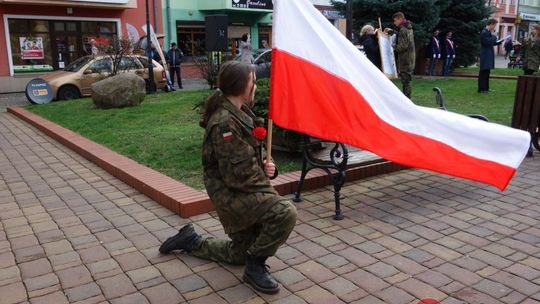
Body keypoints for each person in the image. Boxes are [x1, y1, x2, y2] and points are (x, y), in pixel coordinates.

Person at [158, 61, 297, 295]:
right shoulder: (225, 123)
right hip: (232, 194)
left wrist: (265, 167)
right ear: (241, 85)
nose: (255, 85)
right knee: (284, 212)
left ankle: (191, 240)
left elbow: (244, 163)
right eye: (252, 81)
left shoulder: (239, 113)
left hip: (241, 188)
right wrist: (270, 194)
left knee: (238, 255)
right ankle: (255, 268)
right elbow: (239, 176)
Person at [385, 12, 415, 99]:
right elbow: (401, 37)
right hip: (410, 58)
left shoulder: (403, 30)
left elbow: (402, 46)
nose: (394, 23)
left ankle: (407, 99)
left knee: (406, 80)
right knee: (407, 80)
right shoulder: (408, 28)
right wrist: (392, 32)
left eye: (395, 21)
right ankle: (407, 98)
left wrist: (392, 45)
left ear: (400, 19)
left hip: (406, 59)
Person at [478, 18, 503, 93]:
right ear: (491, 24)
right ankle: (482, 89)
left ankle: (486, 88)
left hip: (488, 54)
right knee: (483, 73)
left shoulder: (488, 32)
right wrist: (494, 36)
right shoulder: (484, 32)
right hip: (485, 55)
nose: (494, 27)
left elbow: (491, 42)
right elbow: (488, 42)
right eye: (494, 25)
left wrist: (499, 42)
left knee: (487, 72)